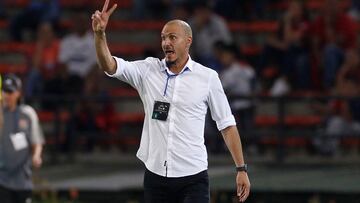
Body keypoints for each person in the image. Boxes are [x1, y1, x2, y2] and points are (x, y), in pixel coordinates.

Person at [91, 0, 250, 202]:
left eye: (173, 37)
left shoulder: (207, 77)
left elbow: (227, 125)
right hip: (155, 177)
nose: (166, 42)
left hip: (193, 177)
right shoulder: (147, 70)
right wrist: (99, 35)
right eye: (163, 37)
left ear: (188, 41)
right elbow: (110, 65)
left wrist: (241, 168)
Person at [0, 74, 45, 203]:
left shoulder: (28, 113)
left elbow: (36, 140)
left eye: (10, 92)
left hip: (23, 178)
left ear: (18, 93)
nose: (7, 95)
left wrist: (37, 155)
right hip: (2, 177)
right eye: (4, 91)